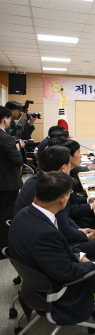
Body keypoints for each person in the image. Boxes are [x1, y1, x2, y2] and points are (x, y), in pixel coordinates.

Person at [9, 172, 95, 334]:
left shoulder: (24, 214)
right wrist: (93, 265)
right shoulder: (45, 233)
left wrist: (80, 256)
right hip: (61, 289)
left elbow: (59, 248)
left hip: (40, 278)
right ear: (63, 200)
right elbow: (67, 273)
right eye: (69, 194)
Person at [13, 146, 95, 269]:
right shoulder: (53, 188)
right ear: (63, 168)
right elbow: (63, 229)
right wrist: (85, 238)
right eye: (69, 163)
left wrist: (79, 230)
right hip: (52, 247)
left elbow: (64, 217)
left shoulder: (37, 180)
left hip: (36, 242)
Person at [0, 106, 23, 256]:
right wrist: (18, 148)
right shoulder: (6, 138)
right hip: (6, 184)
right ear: (5, 119)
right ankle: (4, 248)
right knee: (6, 216)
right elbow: (18, 161)